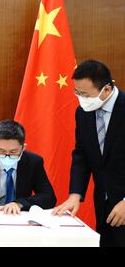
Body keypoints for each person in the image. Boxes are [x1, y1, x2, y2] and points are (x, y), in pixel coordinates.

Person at [53, 60, 125, 247]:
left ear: (106, 90)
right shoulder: (83, 112)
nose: (80, 98)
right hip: (104, 204)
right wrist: (75, 194)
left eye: (84, 94)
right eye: (77, 92)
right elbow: (82, 154)